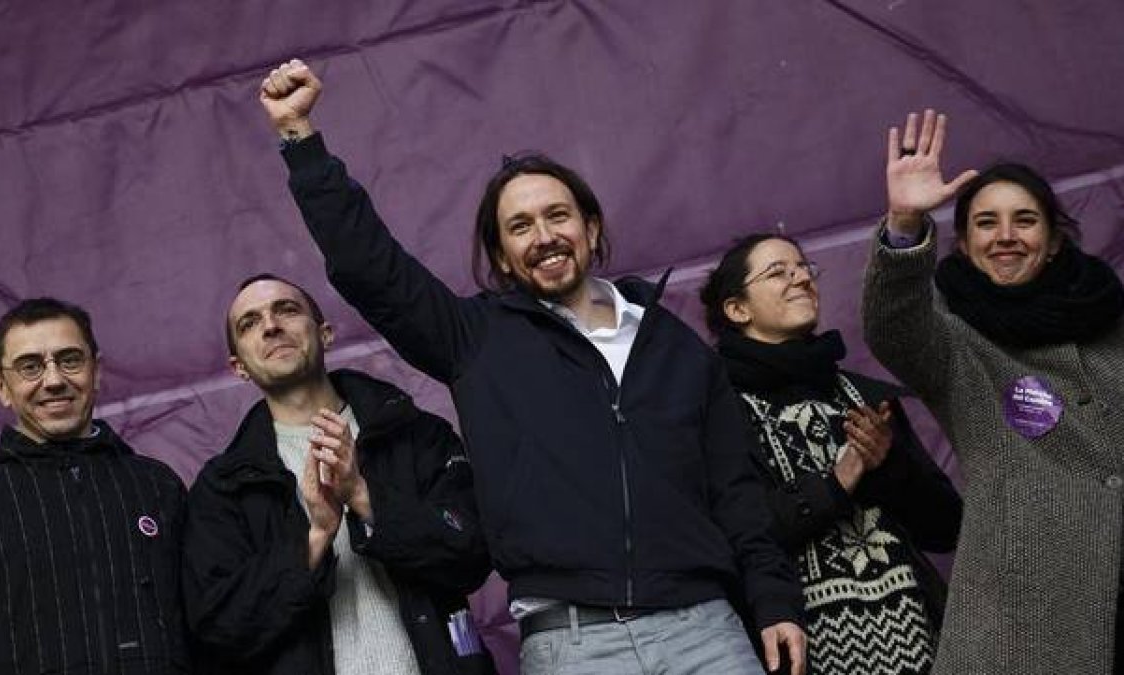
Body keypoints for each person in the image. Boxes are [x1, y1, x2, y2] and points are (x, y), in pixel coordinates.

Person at [257, 58, 807, 675]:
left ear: (590, 226)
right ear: (503, 256)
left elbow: (736, 494)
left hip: (704, 629)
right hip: (571, 642)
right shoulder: (477, 338)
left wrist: (774, 602)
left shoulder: (674, 346)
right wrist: (300, 138)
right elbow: (369, 266)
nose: (543, 236)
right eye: (519, 227)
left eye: (557, 216)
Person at [862, 109, 1124, 674]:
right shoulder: (954, 339)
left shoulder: (1114, 324)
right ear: (963, 244)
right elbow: (893, 324)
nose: (1006, 236)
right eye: (986, 223)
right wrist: (905, 223)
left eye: (1024, 220)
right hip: (1028, 626)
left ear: (1053, 240)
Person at [181, 273, 495, 675]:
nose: (272, 325)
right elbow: (219, 628)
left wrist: (364, 498)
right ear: (238, 367)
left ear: (326, 333)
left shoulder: (414, 434)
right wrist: (314, 540)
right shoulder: (224, 487)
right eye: (250, 323)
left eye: (287, 309)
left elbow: (472, 553)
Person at [700, 234, 962, 674]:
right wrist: (835, 482)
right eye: (778, 272)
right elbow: (732, 538)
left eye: (804, 268)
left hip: (918, 647)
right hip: (798, 653)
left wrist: (889, 467)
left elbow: (946, 527)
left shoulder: (863, 395)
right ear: (737, 309)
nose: (801, 278)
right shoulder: (716, 409)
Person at [0, 298, 189, 674]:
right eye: (30, 367)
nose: (53, 381)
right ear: (1, 386)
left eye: (70, 360)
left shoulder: (156, 486)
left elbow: (206, 629)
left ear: (96, 371)